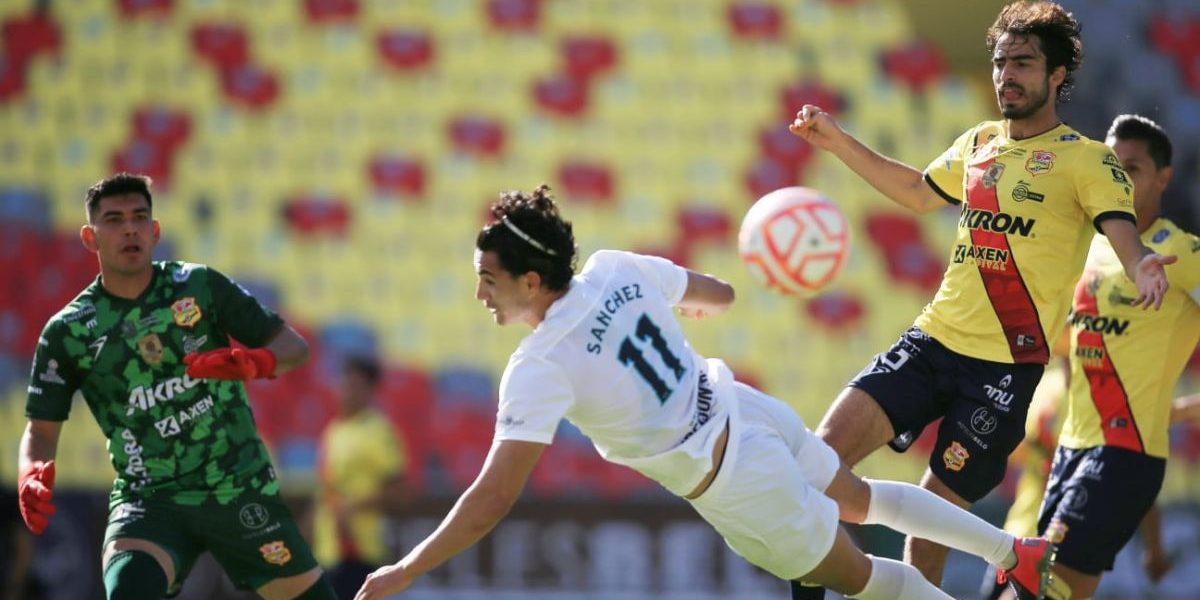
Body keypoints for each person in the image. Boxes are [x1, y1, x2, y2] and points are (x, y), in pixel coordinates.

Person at [353, 185, 1055, 600]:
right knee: (863, 499)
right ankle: (1009, 551)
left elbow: (492, 500)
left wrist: (409, 567)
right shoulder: (613, 268)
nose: (480, 292)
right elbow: (716, 296)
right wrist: (666, 306)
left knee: (866, 579)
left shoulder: (539, 365)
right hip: (749, 409)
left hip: (734, 481)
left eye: (489, 278)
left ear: (531, 282)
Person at [787, 1, 1175, 593]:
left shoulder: (1087, 159)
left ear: (1057, 76)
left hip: (1003, 369)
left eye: (1022, 63)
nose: (1006, 75)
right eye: (999, 62)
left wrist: (1143, 265)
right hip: (930, 341)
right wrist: (838, 141)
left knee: (928, 521)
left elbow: (1121, 230)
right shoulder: (980, 142)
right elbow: (918, 192)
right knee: (812, 465)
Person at [17, 173, 337, 599]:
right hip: (150, 500)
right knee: (130, 588)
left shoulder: (199, 286)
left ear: (155, 230)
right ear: (90, 238)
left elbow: (293, 347)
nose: (129, 228)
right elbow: (41, 429)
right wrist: (31, 472)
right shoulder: (68, 331)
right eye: (113, 220)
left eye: (139, 217)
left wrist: (254, 362)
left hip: (237, 488)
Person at [1032, 114, 1200, 600]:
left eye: (1132, 168)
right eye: (1111, 166)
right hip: (1071, 450)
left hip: (1124, 455)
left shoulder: (1180, 253)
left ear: (1163, 178)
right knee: (1052, 589)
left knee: (1040, 588)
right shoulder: (1089, 249)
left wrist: (1186, 409)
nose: (1117, 179)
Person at [313, 354, 407, 599]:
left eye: (355, 386)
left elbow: (399, 492)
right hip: (329, 548)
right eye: (344, 384)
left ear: (370, 390)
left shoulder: (379, 431)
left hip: (362, 549)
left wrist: (353, 506)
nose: (347, 391)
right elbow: (326, 489)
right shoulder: (333, 430)